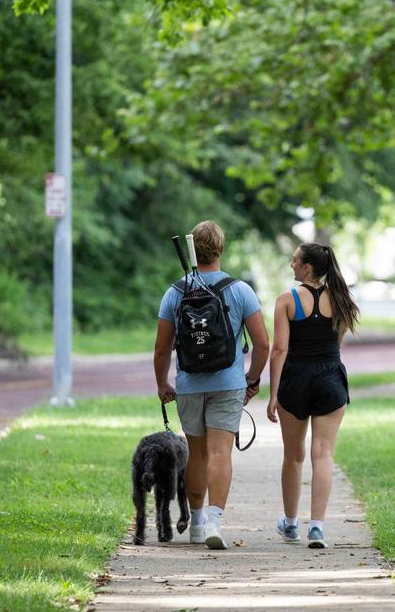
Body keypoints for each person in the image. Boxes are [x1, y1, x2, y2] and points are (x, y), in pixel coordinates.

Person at [154, 220, 270, 549]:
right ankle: (215, 523)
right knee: (221, 453)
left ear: (194, 249)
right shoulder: (240, 290)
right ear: (221, 248)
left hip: (189, 384)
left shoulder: (175, 292)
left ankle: (196, 522)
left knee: (197, 455)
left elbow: (162, 347)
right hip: (228, 384)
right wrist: (251, 380)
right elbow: (262, 344)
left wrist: (163, 382)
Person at [266, 243, 359, 549]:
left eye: (295, 261)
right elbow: (337, 344)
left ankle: (291, 524)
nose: (291, 265)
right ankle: (316, 528)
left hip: (295, 379)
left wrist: (273, 393)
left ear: (306, 267)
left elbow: (279, 350)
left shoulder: (286, 301)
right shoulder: (342, 299)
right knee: (323, 454)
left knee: (293, 455)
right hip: (330, 379)